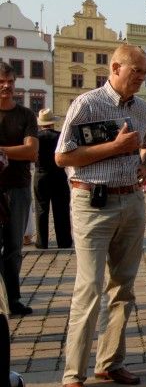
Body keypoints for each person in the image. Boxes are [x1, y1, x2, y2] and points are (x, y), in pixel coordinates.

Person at [55, 44, 146, 387]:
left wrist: (144, 161)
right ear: (115, 68)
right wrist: (114, 148)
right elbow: (62, 155)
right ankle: (73, 372)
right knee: (89, 287)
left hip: (131, 200)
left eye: (145, 73)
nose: (142, 78)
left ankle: (110, 362)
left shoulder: (142, 108)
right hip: (92, 202)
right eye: (136, 72)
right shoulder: (87, 104)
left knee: (123, 288)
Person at [0, 61, 39, 317]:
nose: (6, 87)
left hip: (19, 187)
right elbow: (23, 150)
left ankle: (13, 299)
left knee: (14, 247)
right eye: (2, 82)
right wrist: (15, 152)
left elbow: (31, 151)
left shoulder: (25, 115)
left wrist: (1, 152)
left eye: (10, 82)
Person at [33, 108, 72, 249]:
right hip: (58, 175)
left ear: (40, 123)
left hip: (40, 174)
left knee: (41, 209)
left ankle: (42, 242)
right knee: (61, 209)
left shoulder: (35, 137)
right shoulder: (60, 136)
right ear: (52, 123)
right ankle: (64, 241)